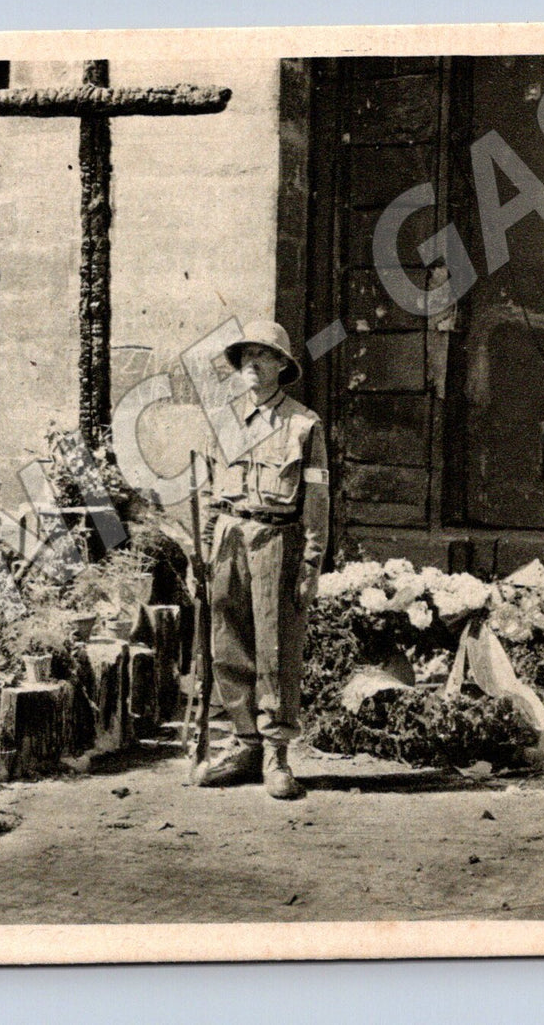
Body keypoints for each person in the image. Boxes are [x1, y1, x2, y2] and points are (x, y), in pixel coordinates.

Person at [195, 320, 329, 799]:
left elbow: (316, 502)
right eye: (245, 355)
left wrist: (310, 566)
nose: (251, 363)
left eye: (262, 354)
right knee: (227, 642)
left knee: (275, 648)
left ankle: (276, 753)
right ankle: (243, 743)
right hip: (228, 536)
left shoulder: (304, 425)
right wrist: (204, 552)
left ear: (280, 365)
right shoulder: (223, 421)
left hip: (277, 540)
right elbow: (209, 492)